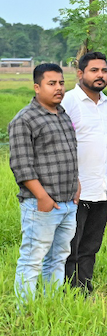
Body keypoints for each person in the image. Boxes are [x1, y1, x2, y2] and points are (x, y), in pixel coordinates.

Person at [9, 63, 80, 301]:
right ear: (37, 87)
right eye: (52, 84)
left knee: (58, 258)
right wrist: (42, 197)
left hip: (68, 203)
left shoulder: (62, 115)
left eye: (61, 83)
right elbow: (21, 165)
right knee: (32, 260)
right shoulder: (25, 119)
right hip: (41, 205)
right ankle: (24, 310)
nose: (59, 88)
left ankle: (51, 305)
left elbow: (69, 153)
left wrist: (76, 184)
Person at [61, 52, 107, 293]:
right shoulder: (68, 101)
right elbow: (59, 145)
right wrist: (72, 180)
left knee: (91, 244)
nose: (100, 75)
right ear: (80, 73)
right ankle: (69, 291)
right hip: (75, 189)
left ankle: (85, 288)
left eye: (103, 70)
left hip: (102, 189)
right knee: (70, 244)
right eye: (94, 70)